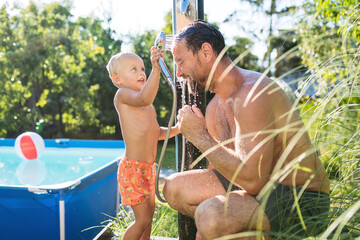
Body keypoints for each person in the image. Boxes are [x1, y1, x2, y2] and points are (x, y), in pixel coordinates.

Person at [163, 20, 330, 240]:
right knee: (172, 188)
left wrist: (200, 137)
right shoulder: (214, 107)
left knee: (211, 216)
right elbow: (225, 171)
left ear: (205, 52)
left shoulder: (252, 93)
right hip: (258, 192)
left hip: (301, 198)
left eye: (180, 62)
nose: (179, 73)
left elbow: (253, 180)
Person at [106, 48, 180, 240]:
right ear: (117, 79)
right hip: (133, 168)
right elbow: (145, 96)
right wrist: (156, 69)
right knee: (141, 219)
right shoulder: (123, 96)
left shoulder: (146, 106)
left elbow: (156, 133)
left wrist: (179, 129)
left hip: (148, 169)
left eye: (142, 68)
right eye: (134, 69)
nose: (141, 72)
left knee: (148, 219)